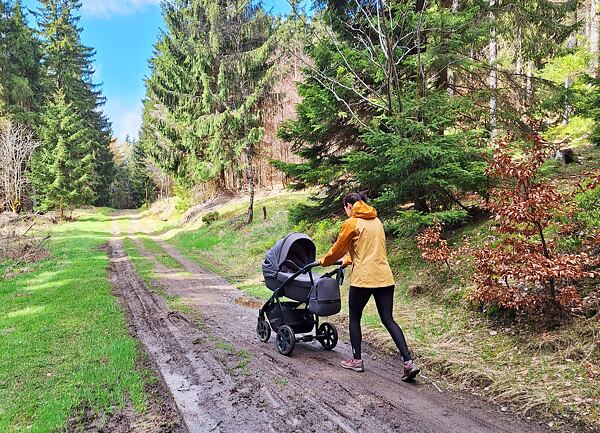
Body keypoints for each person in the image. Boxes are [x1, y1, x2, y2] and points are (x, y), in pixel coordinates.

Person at [318, 192, 420, 381]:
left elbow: (337, 249)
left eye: (345, 208)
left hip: (363, 279)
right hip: (384, 278)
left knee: (355, 317)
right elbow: (370, 249)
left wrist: (324, 261)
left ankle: (356, 360)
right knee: (388, 319)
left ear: (350, 206)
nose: (346, 212)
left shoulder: (352, 223)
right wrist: (348, 260)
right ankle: (408, 362)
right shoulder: (377, 221)